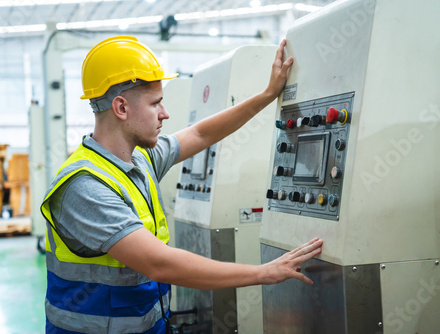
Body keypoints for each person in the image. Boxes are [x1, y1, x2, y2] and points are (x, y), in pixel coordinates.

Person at [41, 35, 323, 334]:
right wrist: (263, 273)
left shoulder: (140, 159)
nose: (165, 113)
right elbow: (159, 264)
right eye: (156, 104)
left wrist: (267, 95)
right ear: (121, 108)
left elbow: (201, 134)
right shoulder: (85, 186)